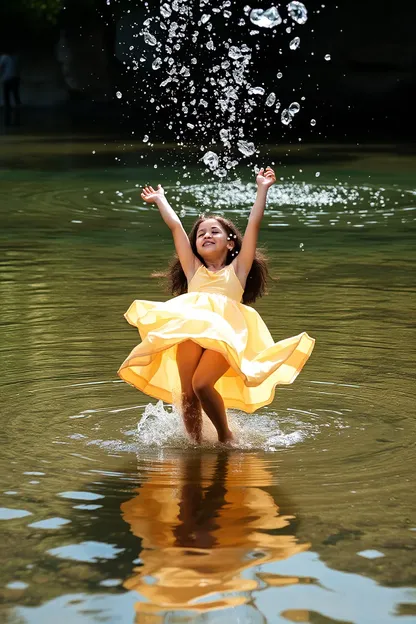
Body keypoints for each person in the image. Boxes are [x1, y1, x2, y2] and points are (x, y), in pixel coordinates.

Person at [118, 167, 315, 443]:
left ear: (230, 241)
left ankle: (226, 437)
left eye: (214, 232)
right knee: (187, 393)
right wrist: (161, 199)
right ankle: (195, 445)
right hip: (187, 328)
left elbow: (254, 224)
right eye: (201, 234)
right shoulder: (193, 270)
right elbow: (175, 227)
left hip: (224, 332)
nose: (206, 236)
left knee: (201, 384)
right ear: (195, 244)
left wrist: (262, 189)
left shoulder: (238, 269)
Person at [0, 52, 20, 126]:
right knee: (15, 95)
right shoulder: (15, 57)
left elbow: (1, 67)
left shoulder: (4, 57)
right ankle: (15, 111)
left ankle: (9, 112)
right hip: (13, 79)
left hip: (7, 79)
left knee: (7, 96)